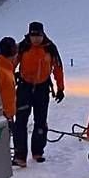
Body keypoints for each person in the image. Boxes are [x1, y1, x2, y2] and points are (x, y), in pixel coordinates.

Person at [14, 21, 67, 166]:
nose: (35, 38)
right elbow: (12, 64)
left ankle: (38, 152)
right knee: (20, 122)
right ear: (29, 35)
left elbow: (58, 68)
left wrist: (60, 88)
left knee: (40, 122)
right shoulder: (23, 46)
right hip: (25, 87)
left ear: (43, 34)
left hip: (42, 88)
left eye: (38, 35)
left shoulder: (50, 48)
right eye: (33, 35)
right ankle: (20, 156)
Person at [0, 37, 21, 166]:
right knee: (2, 142)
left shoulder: (5, 66)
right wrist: (2, 112)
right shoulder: (0, 70)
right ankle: (1, 165)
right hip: (2, 115)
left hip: (8, 114)